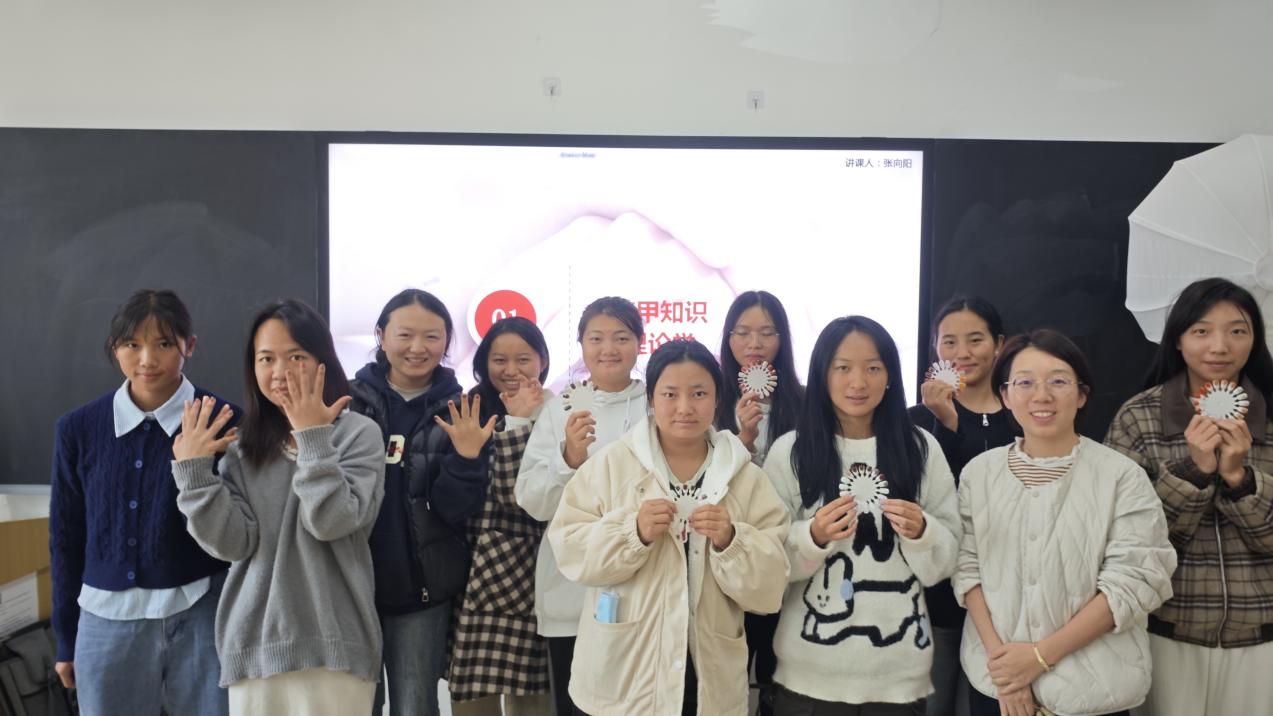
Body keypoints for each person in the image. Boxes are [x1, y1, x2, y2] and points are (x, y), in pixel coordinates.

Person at [548, 339, 791, 715]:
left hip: (707, 676)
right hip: (627, 674)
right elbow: (569, 548)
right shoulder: (612, 465)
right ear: (651, 398)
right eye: (670, 394)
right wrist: (632, 533)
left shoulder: (745, 478)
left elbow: (770, 588)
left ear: (717, 400)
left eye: (699, 393)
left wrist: (732, 541)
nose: (684, 407)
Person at [172, 299, 386, 715]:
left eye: (296, 357)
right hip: (255, 645)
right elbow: (232, 545)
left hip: (336, 646)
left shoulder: (358, 434)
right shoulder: (242, 447)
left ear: (323, 361)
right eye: (266, 358)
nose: (280, 371)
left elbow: (331, 522)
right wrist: (195, 475)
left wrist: (313, 438)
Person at [957, 329, 1175, 716]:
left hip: (1094, 692)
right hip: (998, 687)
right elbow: (966, 568)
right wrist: (1007, 673)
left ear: (1082, 394)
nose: (1041, 395)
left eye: (1058, 381)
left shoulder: (1121, 476)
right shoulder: (979, 474)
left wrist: (1038, 658)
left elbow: (1135, 581)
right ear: (1005, 395)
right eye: (1025, 382)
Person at [49, 289, 234, 716]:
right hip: (105, 617)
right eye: (132, 344)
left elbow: (239, 533)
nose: (147, 359)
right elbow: (65, 536)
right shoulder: (78, 429)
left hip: (202, 611)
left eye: (164, 343)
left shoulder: (223, 420)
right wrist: (65, 637)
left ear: (189, 345)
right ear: (115, 348)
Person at [765, 316, 960, 714]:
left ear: (890, 376)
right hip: (809, 675)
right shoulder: (791, 451)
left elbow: (945, 562)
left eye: (873, 368)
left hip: (898, 677)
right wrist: (813, 537)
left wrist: (922, 532)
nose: (858, 382)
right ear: (822, 374)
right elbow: (766, 560)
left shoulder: (919, 448)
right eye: (843, 368)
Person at [1105, 277, 1273, 715]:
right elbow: (1125, 542)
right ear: (1177, 340)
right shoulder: (1139, 418)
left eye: (1237, 331)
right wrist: (1194, 471)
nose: (1220, 346)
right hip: (1166, 631)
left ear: (1255, 340)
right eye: (1201, 331)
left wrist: (1239, 477)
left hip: (1262, 638)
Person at [346, 288, 494, 716]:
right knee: (354, 706)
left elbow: (455, 511)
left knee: (416, 706)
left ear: (447, 341)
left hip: (421, 592)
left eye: (432, 336)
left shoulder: (462, 411)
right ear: (381, 335)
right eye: (405, 335)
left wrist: (467, 458)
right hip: (349, 588)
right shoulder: (347, 403)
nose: (417, 347)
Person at [516, 296, 647, 715]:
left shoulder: (658, 402)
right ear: (581, 345)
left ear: (640, 342)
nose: (608, 349)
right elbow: (532, 501)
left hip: (644, 584)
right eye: (596, 338)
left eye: (621, 337)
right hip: (572, 588)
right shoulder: (559, 408)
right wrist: (569, 458)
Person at [907, 295, 1016, 716]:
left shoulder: (1024, 413)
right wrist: (945, 423)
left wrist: (955, 425)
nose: (962, 353)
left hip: (1008, 597)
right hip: (938, 597)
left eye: (975, 340)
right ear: (935, 347)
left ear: (999, 344)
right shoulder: (917, 419)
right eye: (949, 342)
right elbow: (924, 497)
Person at [449, 317, 555, 716]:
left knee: (534, 697)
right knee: (474, 699)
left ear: (543, 360)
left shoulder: (558, 410)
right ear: (483, 362)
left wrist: (522, 421)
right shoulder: (467, 408)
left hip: (532, 570)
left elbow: (522, 498)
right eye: (499, 359)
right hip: (473, 571)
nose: (511, 370)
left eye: (523, 359)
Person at [714, 290, 806, 715]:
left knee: (776, 669)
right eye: (744, 332)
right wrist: (742, 442)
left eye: (767, 333)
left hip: (784, 555)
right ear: (729, 338)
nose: (755, 343)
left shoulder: (805, 402)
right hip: (725, 553)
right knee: (725, 668)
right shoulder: (709, 398)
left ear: (782, 339)